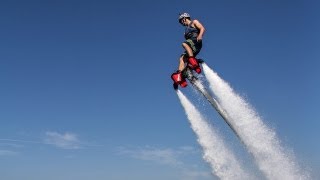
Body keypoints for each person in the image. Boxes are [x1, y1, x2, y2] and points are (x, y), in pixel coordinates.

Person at [175, 12, 205, 80]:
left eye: (181, 21)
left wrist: (200, 35)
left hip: (196, 41)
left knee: (184, 43)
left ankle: (193, 60)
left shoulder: (194, 22)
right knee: (182, 58)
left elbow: (202, 28)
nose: (182, 23)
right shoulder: (185, 32)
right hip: (191, 46)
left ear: (184, 18)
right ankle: (181, 76)